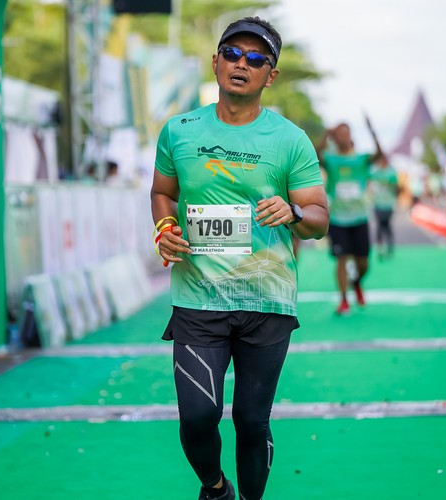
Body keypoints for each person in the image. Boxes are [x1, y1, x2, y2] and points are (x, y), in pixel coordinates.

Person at [150, 16, 329, 500]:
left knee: (251, 420)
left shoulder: (290, 139)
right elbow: (163, 193)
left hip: (266, 299)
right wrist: (165, 228)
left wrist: (293, 211)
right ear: (215, 62)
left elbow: (318, 218)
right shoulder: (179, 131)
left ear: (270, 75)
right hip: (198, 297)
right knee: (197, 417)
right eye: (232, 53)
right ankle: (215, 487)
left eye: (255, 58)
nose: (241, 64)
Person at [317, 118, 383, 314]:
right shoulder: (331, 159)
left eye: (346, 133)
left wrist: (372, 131)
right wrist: (325, 135)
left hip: (359, 218)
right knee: (342, 259)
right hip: (337, 219)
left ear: (351, 135)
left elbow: (380, 155)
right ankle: (344, 299)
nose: (343, 137)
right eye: (339, 134)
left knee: (363, 263)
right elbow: (316, 155)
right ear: (335, 137)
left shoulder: (361, 159)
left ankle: (357, 282)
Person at [369, 153, 399, 258]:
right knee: (379, 226)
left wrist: (394, 195)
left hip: (388, 204)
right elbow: (369, 182)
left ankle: (390, 246)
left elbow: (396, 188)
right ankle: (380, 248)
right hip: (377, 204)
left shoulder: (391, 173)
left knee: (387, 225)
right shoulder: (375, 173)